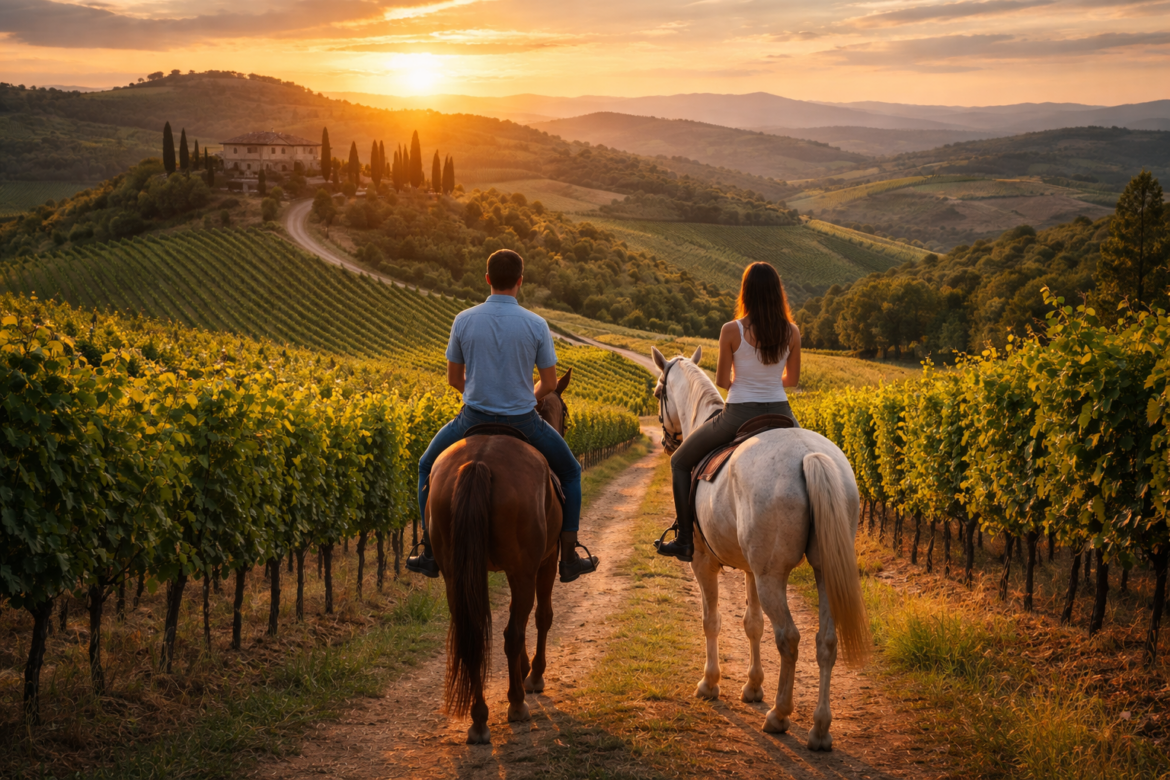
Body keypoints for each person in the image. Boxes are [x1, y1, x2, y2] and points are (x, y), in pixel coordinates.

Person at [406, 249, 599, 583]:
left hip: (472, 419)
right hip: (523, 421)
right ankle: (568, 556)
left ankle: (430, 550)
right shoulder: (537, 324)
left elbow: (454, 378)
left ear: (487, 279)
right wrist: (526, 398)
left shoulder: (463, 320)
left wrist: (477, 395)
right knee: (570, 471)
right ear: (520, 282)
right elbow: (551, 383)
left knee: (426, 466)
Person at [656, 262, 802, 562]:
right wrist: (770, 380)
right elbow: (793, 381)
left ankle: (685, 539)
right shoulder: (792, 332)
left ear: (745, 292)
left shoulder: (731, 330)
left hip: (738, 414)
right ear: (778, 292)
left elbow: (723, 381)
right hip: (783, 414)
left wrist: (746, 381)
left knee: (681, 462)